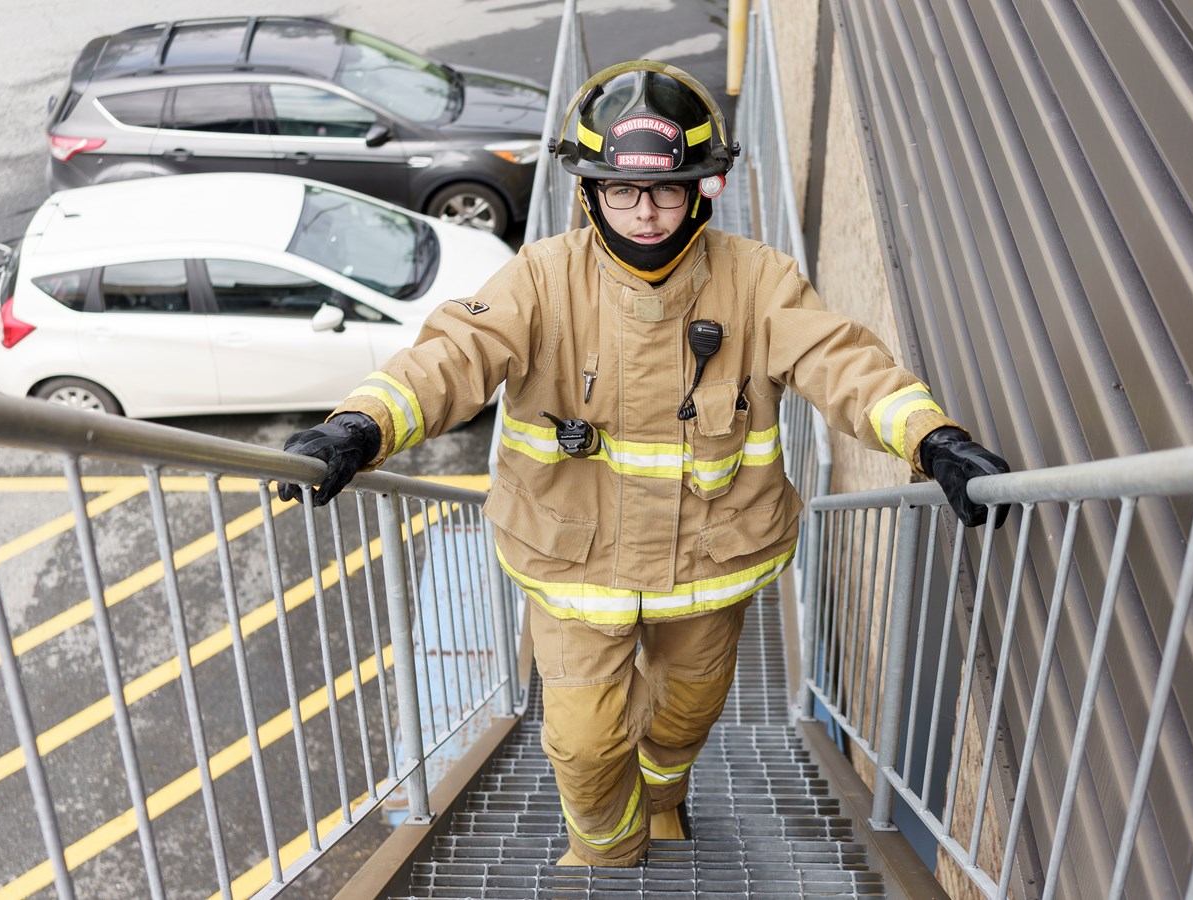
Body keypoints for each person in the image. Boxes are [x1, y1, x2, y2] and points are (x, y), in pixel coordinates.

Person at [276, 60, 1010, 867]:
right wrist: (359, 427)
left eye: (666, 189)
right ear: (588, 192)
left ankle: (662, 801)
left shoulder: (758, 281)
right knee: (585, 745)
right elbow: (450, 358)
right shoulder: (541, 280)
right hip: (575, 569)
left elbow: (842, 363)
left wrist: (929, 438)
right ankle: (607, 855)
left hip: (708, 567)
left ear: (704, 188)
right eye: (621, 190)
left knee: (683, 719)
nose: (646, 212)